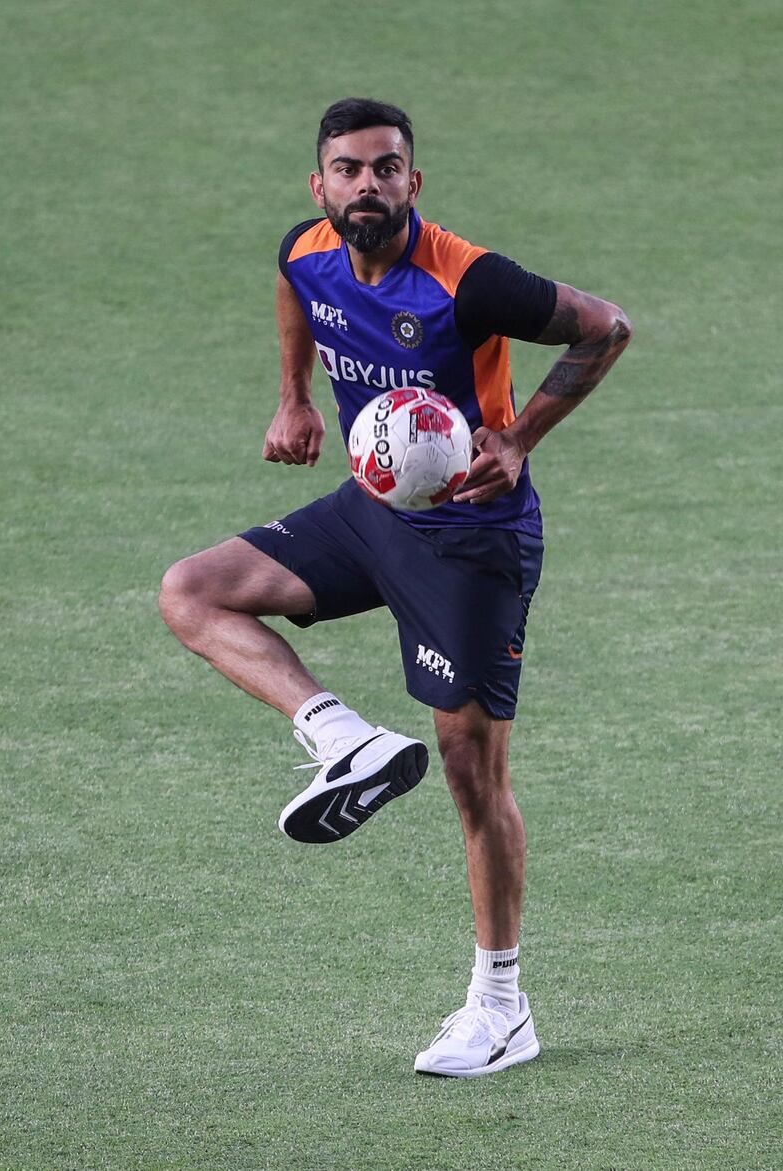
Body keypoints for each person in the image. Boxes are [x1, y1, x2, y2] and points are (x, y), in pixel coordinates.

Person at [159, 97, 632, 1078]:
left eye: (384, 169)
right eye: (346, 169)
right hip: (371, 512)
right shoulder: (305, 249)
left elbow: (602, 328)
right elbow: (293, 287)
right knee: (192, 590)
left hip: (471, 540)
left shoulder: (469, 280)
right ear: (319, 185)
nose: (364, 185)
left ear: (412, 183)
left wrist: (516, 437)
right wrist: (292, 396)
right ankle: (342, 737)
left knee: (471, 773)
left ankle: (501, 1006)